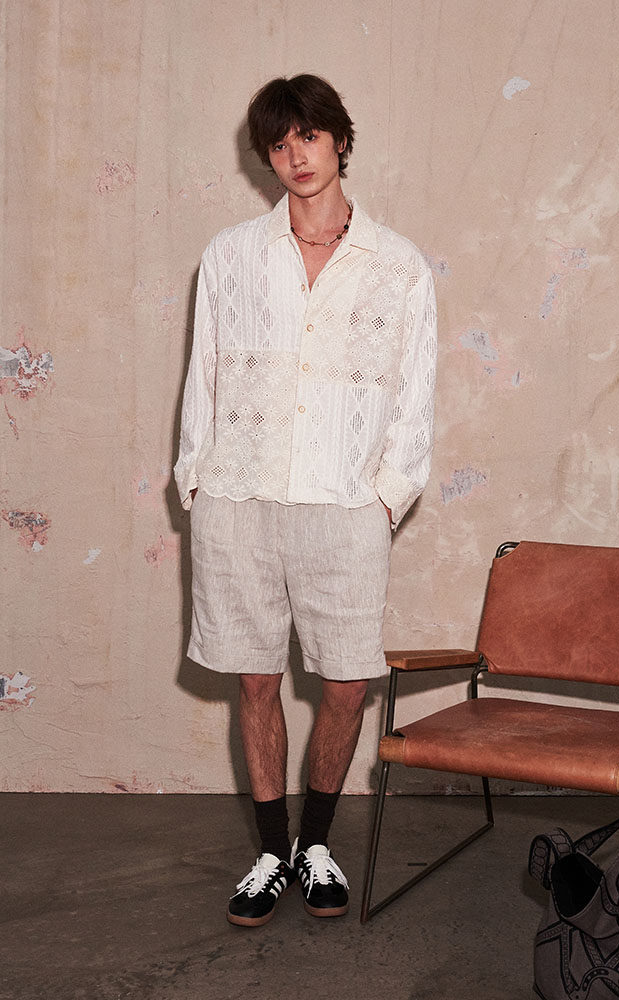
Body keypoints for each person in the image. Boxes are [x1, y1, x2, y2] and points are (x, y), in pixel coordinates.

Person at [174, 74, 437, 927]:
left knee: (347, 685)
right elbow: (204, 375)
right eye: (280, 144)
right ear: (268, 157)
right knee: (255, 682)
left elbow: (416, 397)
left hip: (345, 504)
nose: (296, 157)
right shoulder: (230, 255)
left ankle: (315, 846)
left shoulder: (398, 266)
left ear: (339, 141)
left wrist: (386, 498)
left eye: (310, 138)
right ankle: (268, 853)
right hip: (240, 500)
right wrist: (196, 476)